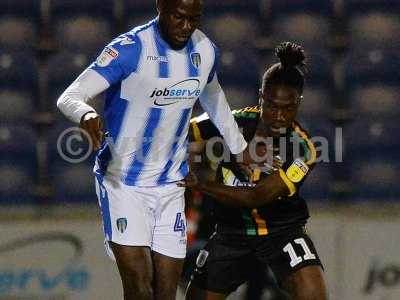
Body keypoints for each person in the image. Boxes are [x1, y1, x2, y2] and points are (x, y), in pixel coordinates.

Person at [56, 0, 251, 299]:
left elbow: (214, 99)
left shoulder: (204, 51)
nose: (186, 27)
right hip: (123, 184)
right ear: (160, 5)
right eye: (178, 17)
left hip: (171, 186)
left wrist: (240, 148)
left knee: (165, 293)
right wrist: (86, 114)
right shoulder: (130, 49)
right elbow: (69, 96)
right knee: (139, 288)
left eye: (194, 19)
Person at [182, 42, 328, 300]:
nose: (280, 116)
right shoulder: (232, 124)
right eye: (272, 105)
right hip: (231, 233)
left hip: (281, 233)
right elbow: (181, 130)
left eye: (289, 108)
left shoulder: (304, 149)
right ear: (261, 96)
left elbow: (256, 197)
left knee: (314, 293)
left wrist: (200, 183)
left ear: (299, 103)